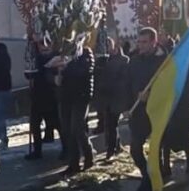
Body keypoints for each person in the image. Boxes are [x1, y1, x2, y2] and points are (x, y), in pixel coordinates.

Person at [126, 27, 166, 191]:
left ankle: (153, 188)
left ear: (153, 42)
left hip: (156, 112)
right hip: (138, 112)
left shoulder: (164, 63)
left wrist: (152, 95)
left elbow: (167, 87)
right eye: (139, 42)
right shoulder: (134, 61)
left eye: (144, 42)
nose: (140, 46)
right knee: (135, 149)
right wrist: (129, 103)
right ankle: (146, 177)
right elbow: (127, 84)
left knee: (154, 150)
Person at [55, 40, 95, 174]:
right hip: (66, 97)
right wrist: (56, 77)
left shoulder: (86, 53)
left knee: (77, 128)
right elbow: (58, 74)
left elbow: (83, 71)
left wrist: (66, 66)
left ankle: (89, 156)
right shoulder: (63, 55)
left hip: (81, 97)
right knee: (67, 130)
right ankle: (74, 164)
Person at [25, 35, 60, 160]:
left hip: (52, 96)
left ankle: (67, 148)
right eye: (41, 44)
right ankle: (37, 151)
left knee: (57, 124)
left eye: (46, 44)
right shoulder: (36, 57)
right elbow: (28, 74)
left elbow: (57, 75)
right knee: (35, 125)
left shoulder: (56, 56)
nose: (43, 47)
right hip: (37, 95)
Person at [97, 37, 129, 160]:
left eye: (108, 45)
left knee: (112, 124)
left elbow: (123, 80)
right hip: (105, 97)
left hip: (116, 97)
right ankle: (115, 146)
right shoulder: (103, 60)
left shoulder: (124, 60)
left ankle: (111, 150)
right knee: (109, 124)